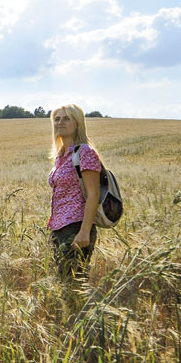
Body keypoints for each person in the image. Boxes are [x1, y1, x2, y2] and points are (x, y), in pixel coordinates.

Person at [47, 104, 101, 280]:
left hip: (76, 227)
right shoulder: (61, 156)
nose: (60, 122)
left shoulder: (85, 152)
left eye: (67, 118)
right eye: (57, 119)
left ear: (77, 123)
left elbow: (94, 194)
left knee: (74, 284)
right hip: (59, 228)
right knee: (64, 283)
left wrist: (84, 231)